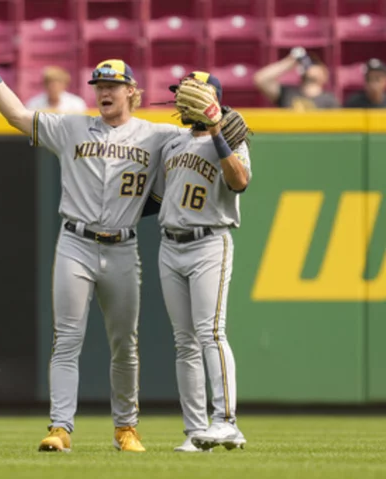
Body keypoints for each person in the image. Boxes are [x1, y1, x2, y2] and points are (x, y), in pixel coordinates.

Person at [0, 35, 180, 453]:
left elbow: (196, 150)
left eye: (112, 86)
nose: (103, 91)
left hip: (122, 247)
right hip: (76, 244)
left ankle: (126, 428)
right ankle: (60, 427)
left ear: (131, 92)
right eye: (99, 85)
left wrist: (216, 117)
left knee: (125, 344)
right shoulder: (72, 126)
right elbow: (15, 115)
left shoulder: (157, 135)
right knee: (66, 340)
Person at [157, 72, 250, 453]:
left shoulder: (231, 134)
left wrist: (217, 132)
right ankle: (197, 431)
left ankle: (227, 422)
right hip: (170, 244)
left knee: (211, 332)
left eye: (194, 92)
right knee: (184, 343)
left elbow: (240, 181)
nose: (184, 98)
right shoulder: (171, 141)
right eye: (181, 92)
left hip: (210, 241)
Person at [254, 47, 339, 110]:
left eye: (315, 64)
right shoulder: (288, 93)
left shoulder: (330, 100)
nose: (310, 66)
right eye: (310, 63)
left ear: (325, 75)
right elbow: (261, 79)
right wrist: (290, 61)